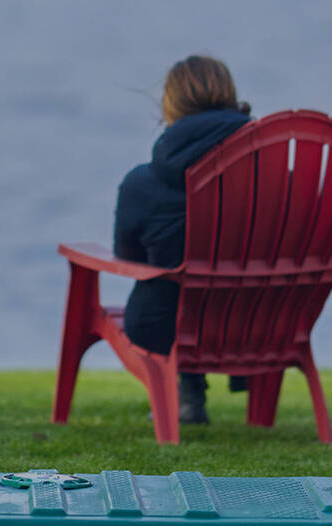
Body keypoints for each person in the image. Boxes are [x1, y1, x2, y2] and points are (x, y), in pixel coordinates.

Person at [113, 55, 252, 425]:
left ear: (170, 106)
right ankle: (190, 396)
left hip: (165, 322)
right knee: (206, 289)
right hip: (257, 320)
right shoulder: (271, 174)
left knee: (177, 291)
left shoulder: (142, 183)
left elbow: (128, 259)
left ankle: (186, 395)